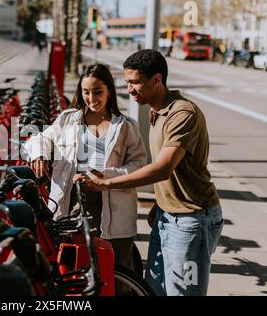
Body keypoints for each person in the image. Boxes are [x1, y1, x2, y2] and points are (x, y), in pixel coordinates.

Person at [74, 50, 223, 296]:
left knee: (183, 292)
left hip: (191, 221)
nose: (130, 89)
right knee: (154, 289)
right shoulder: (157, 112)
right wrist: (161, 203)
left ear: (156, 80)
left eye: (135, 82)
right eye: (127, 83)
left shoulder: (182, 114)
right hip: (168, 215)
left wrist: (108, 183)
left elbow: (163, 168)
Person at [24, 64, 147, 286]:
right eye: (86, 92)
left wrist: (103, 177)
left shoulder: (127, 126)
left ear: (109, 90)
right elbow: (39, 138)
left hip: (114, 210)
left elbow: (138, 166)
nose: (91, 98)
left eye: (98, 91)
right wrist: (39, 155)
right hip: (72, 207)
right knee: (72, 272)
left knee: (116, 277)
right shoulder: (68, 119)